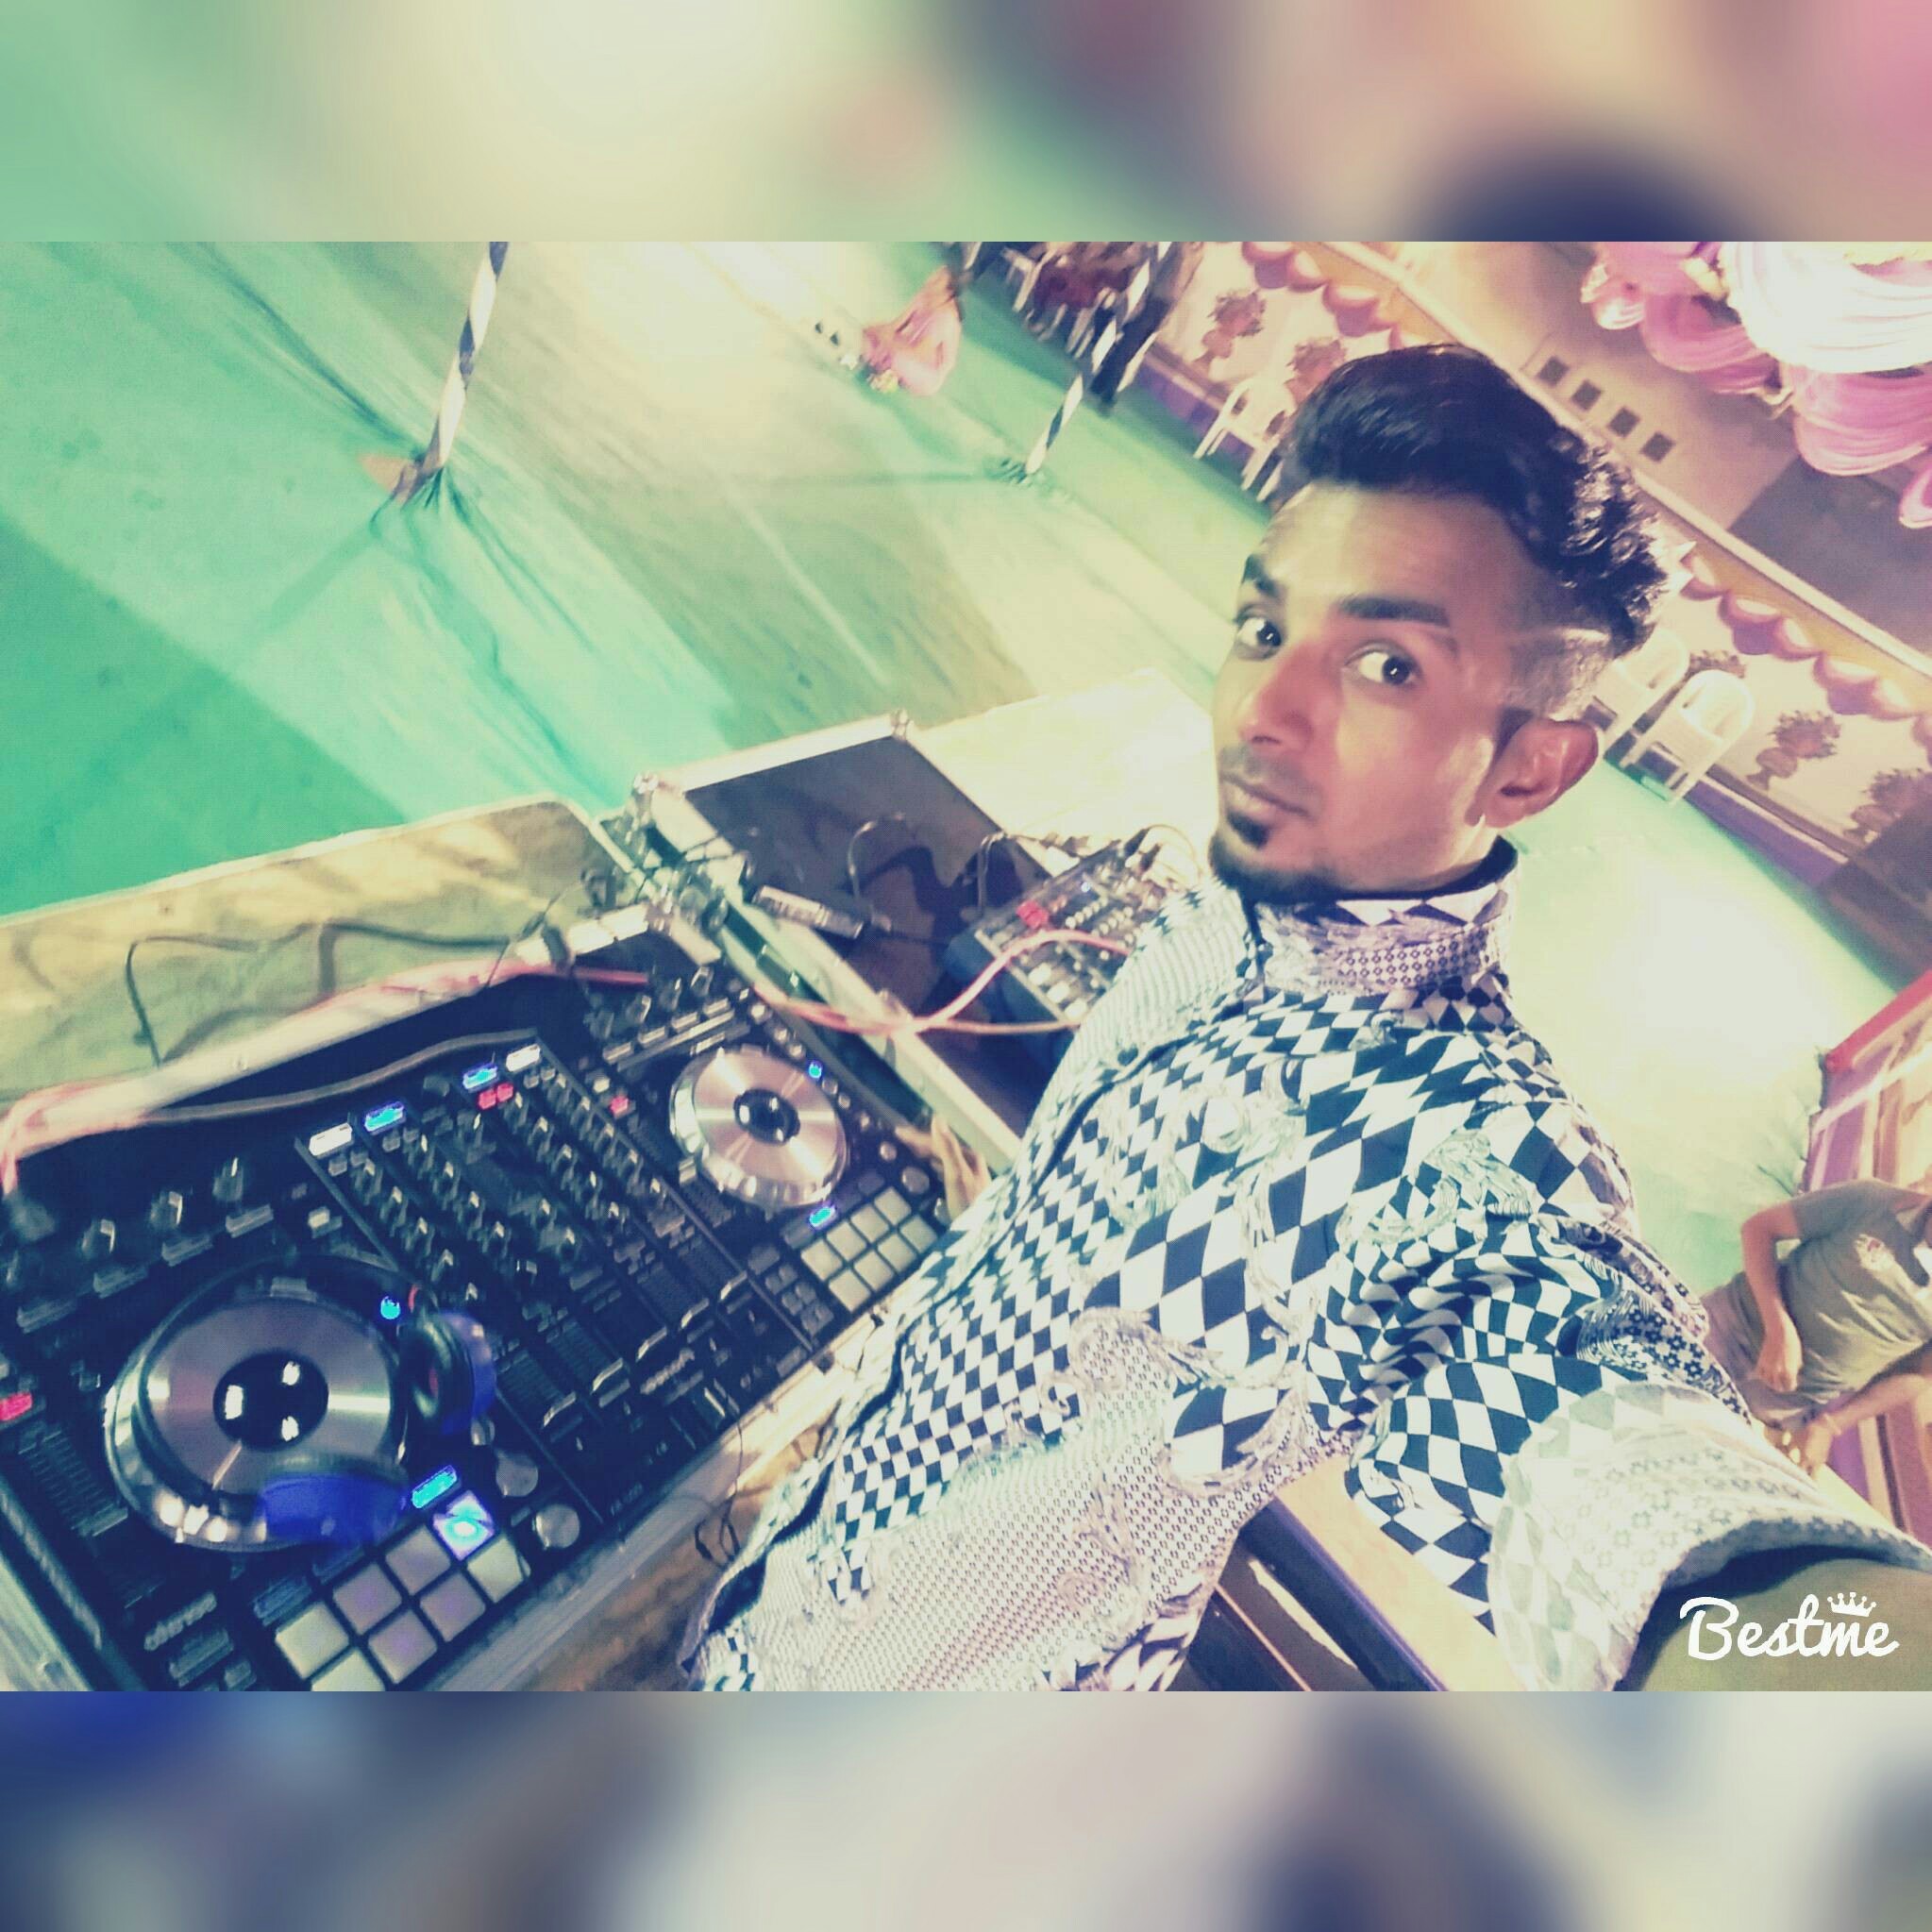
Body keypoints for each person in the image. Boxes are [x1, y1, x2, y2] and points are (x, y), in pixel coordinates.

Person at [681, 345, 1932, 1693]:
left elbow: (1623, 1477)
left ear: (1528, 769)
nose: (1261, 710)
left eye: (1386, 663)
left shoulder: (1435, 1144)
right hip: (790, 1591)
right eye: (1264, 627)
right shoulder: (1237, 901)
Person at [1702, 1177, 1932, 1472]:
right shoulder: (1873, 1200)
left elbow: (1918, 1373)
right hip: (1724, 1331)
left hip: (1785, 1404)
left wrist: (1831, 1425)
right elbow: (1760, 1228)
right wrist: (1778, 1328)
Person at [1088, 242, 1202, 408]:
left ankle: (1100, 382)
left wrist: (1169, 313)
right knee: (1129, 344)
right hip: (1152, 297)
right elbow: (1154, 267)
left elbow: (1183, 286)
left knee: (1134, 346)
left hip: (1165, 304)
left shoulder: (1198, 252)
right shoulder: (1176, 244)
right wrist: (1142, 297)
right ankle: (1109, 389)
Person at [857, 260, 965, 398]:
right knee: (872, 333)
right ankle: (881, 368)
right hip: (907, 346)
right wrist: (878, 331)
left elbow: (919, 353)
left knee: (896, 357)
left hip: (926, 371)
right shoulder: (924, 296)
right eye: (935, 274)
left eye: (938, 280)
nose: (931, 279)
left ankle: (889, 375)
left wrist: (889, 342)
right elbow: (895, 326)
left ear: (948, 293)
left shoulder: (946, 319)